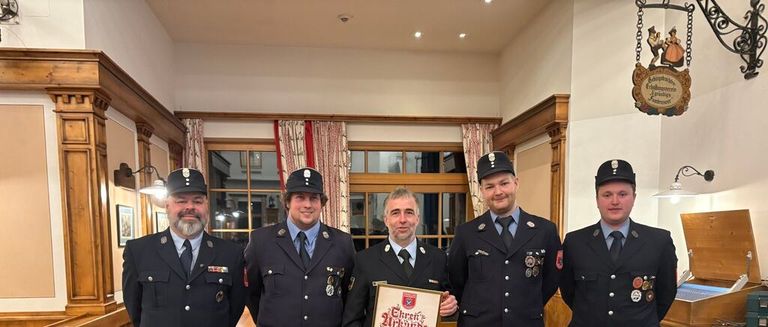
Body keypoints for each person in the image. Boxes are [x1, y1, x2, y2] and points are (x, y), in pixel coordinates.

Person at [448, 151, 561, 326]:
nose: (498, 192)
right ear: (482, 190)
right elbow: (456, 281)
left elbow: (552, 280)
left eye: (504, 183)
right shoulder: (466, 233)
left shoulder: (545, 230)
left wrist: (525, 307)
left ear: (516, 183)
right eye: (490, 186)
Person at [122, 168, 247, 327]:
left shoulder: (230, 253)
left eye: (197, 201)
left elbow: (235, 309)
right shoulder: (138, 251)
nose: (190, 207)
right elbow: (135, 310)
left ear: (206, 206)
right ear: (167, 206)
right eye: (181, 201)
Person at [559, 159, 677, 326]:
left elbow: (666, 293)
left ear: (634, 197)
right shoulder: (574, 242)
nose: (615, 201)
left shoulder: (659, 241)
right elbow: (569, 292)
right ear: (597, 199)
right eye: (607, 195)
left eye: (622, 194)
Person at [245, 167, 355, 327]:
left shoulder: (342, 242)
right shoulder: (261, 241)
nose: (307, 204)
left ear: (321, 203)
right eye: (300, 197)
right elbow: (251, 294)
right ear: (287, 202)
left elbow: (349, 296)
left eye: (314, 198)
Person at [342, 187, 458, 327]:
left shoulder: (438, 258)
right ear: (386, 220)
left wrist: (452, 307)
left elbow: (449, 305)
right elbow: (352, 319)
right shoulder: (365, 260)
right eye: (395, 213)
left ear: (417, 218)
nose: (402, 220)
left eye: (409, 212)